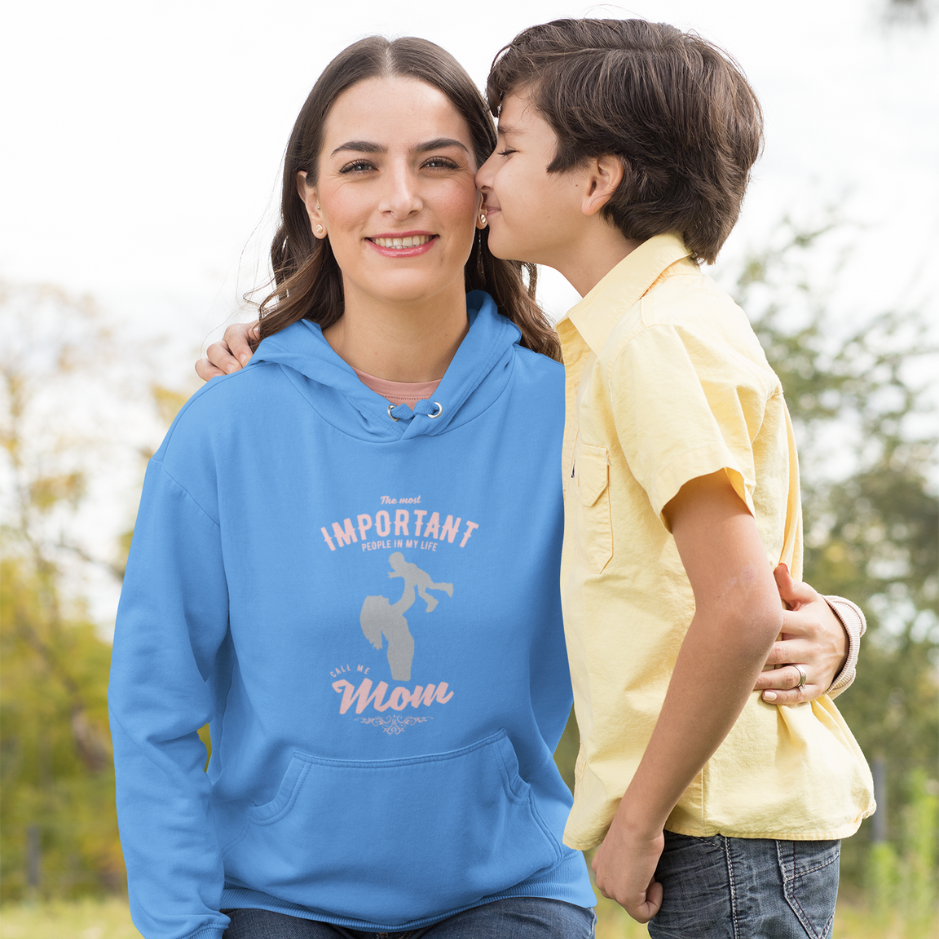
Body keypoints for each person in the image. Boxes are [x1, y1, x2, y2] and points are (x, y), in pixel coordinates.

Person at [165, 32, 858, 939]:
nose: (481, 177)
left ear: (594, 179)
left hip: (684, 826)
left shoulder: (623, 357)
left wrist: (835, 628)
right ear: (314, 196)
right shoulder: (610, 350)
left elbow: (741, 593)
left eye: (494, 149)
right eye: (361, 166)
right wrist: (282, 364)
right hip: (691, 818)